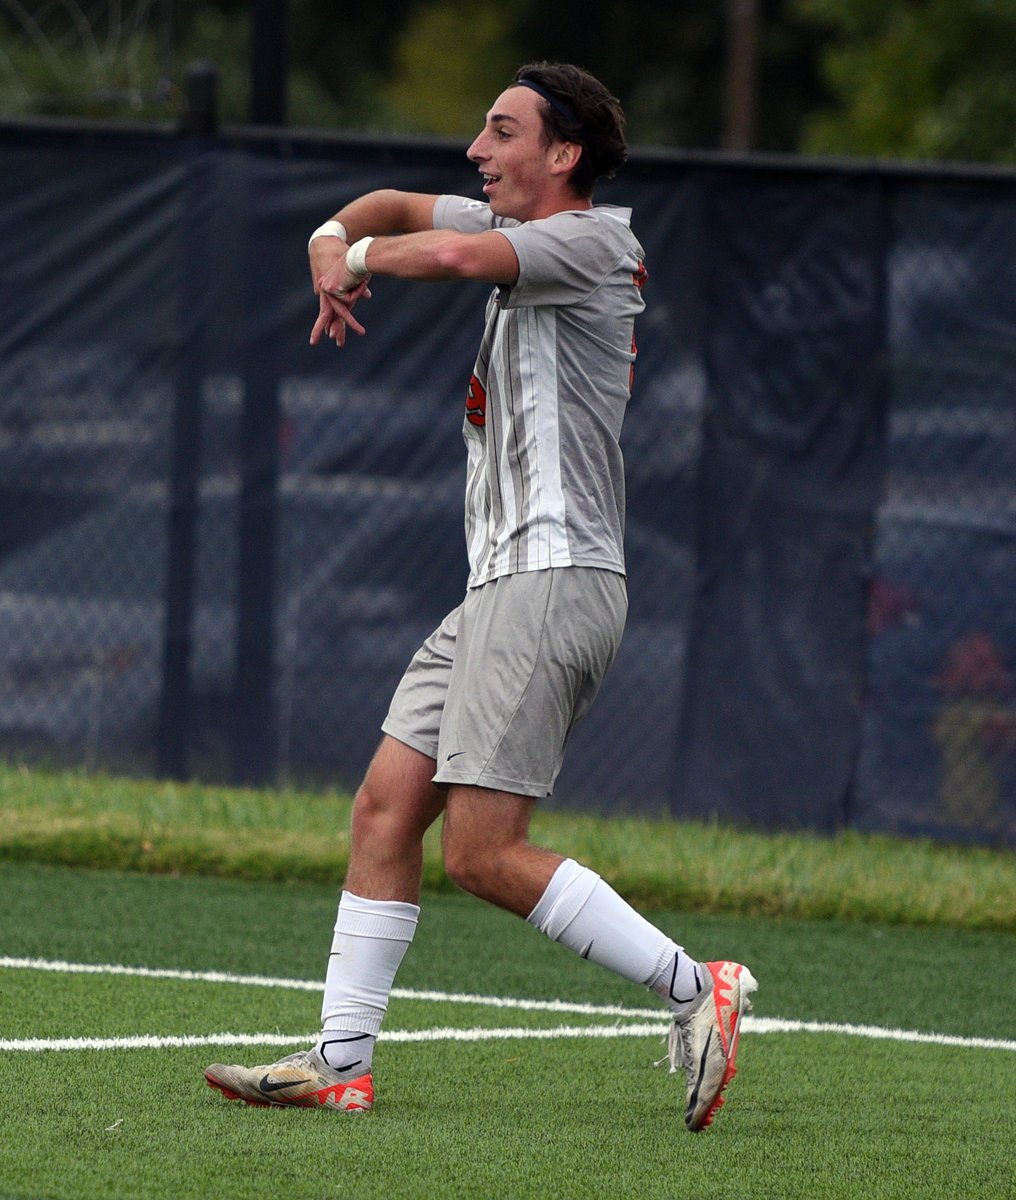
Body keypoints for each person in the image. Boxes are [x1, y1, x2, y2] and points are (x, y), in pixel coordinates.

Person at [204, 61, 757, 1133]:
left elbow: (446, 249)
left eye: (500, 132)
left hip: (552, 580)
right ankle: (339, 1061)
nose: (475, 150)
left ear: (563, 158)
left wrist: (354, 255)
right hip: (497, 586)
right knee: (383, 809)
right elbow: (396, 207)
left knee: (480, 854)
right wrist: (331, 239)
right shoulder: (519, 215)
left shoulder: (588, 239)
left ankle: (699, 990)